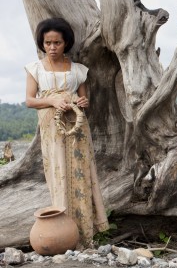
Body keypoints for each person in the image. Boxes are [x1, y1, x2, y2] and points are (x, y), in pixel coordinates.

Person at [25, 18, 109, 248]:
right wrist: (52, 100)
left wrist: (82, 101)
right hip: (52, 128)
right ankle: (63, 232)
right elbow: (30, 101)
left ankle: (84, 234)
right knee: (58, 173)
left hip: (78, 128)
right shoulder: (35, 68)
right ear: (42, 43)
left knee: (81, 174)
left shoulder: (77, 69)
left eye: (57, 43)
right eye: (48, 43)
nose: (52, 47)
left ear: (66, 43)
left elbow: (85, 99)